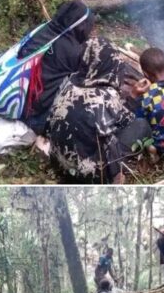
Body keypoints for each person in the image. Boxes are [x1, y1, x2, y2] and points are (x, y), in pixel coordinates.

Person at [48, 38, 151, 184]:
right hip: (89, 174)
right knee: (141, 125)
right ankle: (114, 174)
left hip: (59, 163)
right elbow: (126, 121)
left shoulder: (69, 84)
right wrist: (134, 96)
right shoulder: (106, 96)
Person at [19, 0, 95, 135]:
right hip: (33, 115)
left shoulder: (41, 30)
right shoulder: (74, 51)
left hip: (16, 97)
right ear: (81, 26)